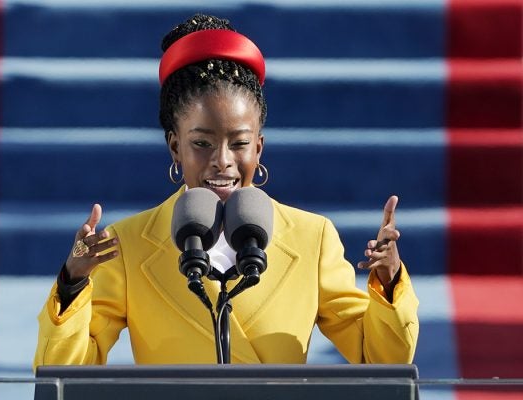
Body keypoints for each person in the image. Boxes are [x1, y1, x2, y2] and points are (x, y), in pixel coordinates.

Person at [33, 14, 419, 368]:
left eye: (238, 143)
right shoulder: (128, 244)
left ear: (259, 148)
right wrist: (73, 283)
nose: (222, 160)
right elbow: (65, 377)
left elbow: (380, 360)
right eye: (202, 144)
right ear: (175, 148)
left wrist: (389, 282)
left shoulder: (311, 238)